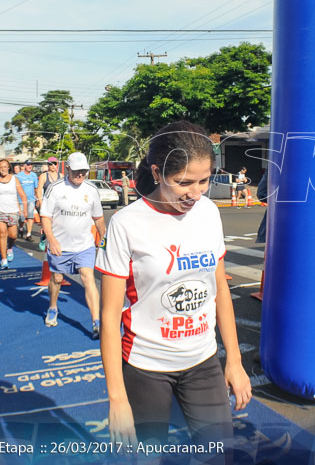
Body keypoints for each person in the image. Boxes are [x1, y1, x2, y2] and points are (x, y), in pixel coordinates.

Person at [97, 120, 251, 453]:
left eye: (205, 181)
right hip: (145, 366)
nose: (196, 193)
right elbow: (109, 317)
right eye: (183, 183)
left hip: (203, 360)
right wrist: (117, 399)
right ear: (156, 172)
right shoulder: (126, 224)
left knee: (218, 453)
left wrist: (234, 361)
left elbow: (219, 289)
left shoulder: (209, 212)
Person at [40, 152, 107, 337]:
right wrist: (51, 240)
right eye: (77, 171)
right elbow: (45, 216)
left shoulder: (91, 190)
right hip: (60, 245)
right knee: (57, 279)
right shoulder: (55, 188)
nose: (80, 175)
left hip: (84, 245)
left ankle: (96, 322)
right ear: (67, 169)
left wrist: (105, 239)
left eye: (84, 171)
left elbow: (99, 218)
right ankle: (53, 307)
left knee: (88, 278)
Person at [36, 157, 62, 249]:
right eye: (51, 164)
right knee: (47, 224)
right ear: (48, 165)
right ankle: (44, 237)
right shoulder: (44, 176)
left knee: (57, 225)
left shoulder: (61, 176)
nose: (53, 166)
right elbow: (39, 191)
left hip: (58, 204)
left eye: (55, 164)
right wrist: (41, 202)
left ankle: (55, 241)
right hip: (46, 203)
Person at [16, 160, 40, 240]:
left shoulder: (34, 175)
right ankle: (21, 228)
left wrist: (38, 199)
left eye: (31, 165)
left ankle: (29, 234)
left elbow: (36, 188)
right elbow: (15, 188)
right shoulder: (19, 176)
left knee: (30, 217)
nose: (30, 166)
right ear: (24, 166)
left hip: (31, 200)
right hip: (21, 200)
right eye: (28, 165)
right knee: (22, 218)